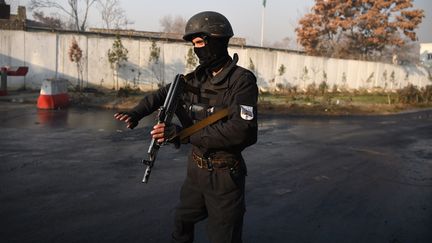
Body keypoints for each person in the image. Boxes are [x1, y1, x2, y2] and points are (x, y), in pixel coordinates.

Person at [114, 11, 258, 243]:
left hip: (224, 175)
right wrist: (137, 112)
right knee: (182, 223)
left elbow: (243, 131)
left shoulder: (241, 81)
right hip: (196, 170)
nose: (196, 49)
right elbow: (165, 93)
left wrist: (182, 135)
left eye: (200, 42)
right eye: (193, 44)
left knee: (223, 236)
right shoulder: (198, 77)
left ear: (218, 39)